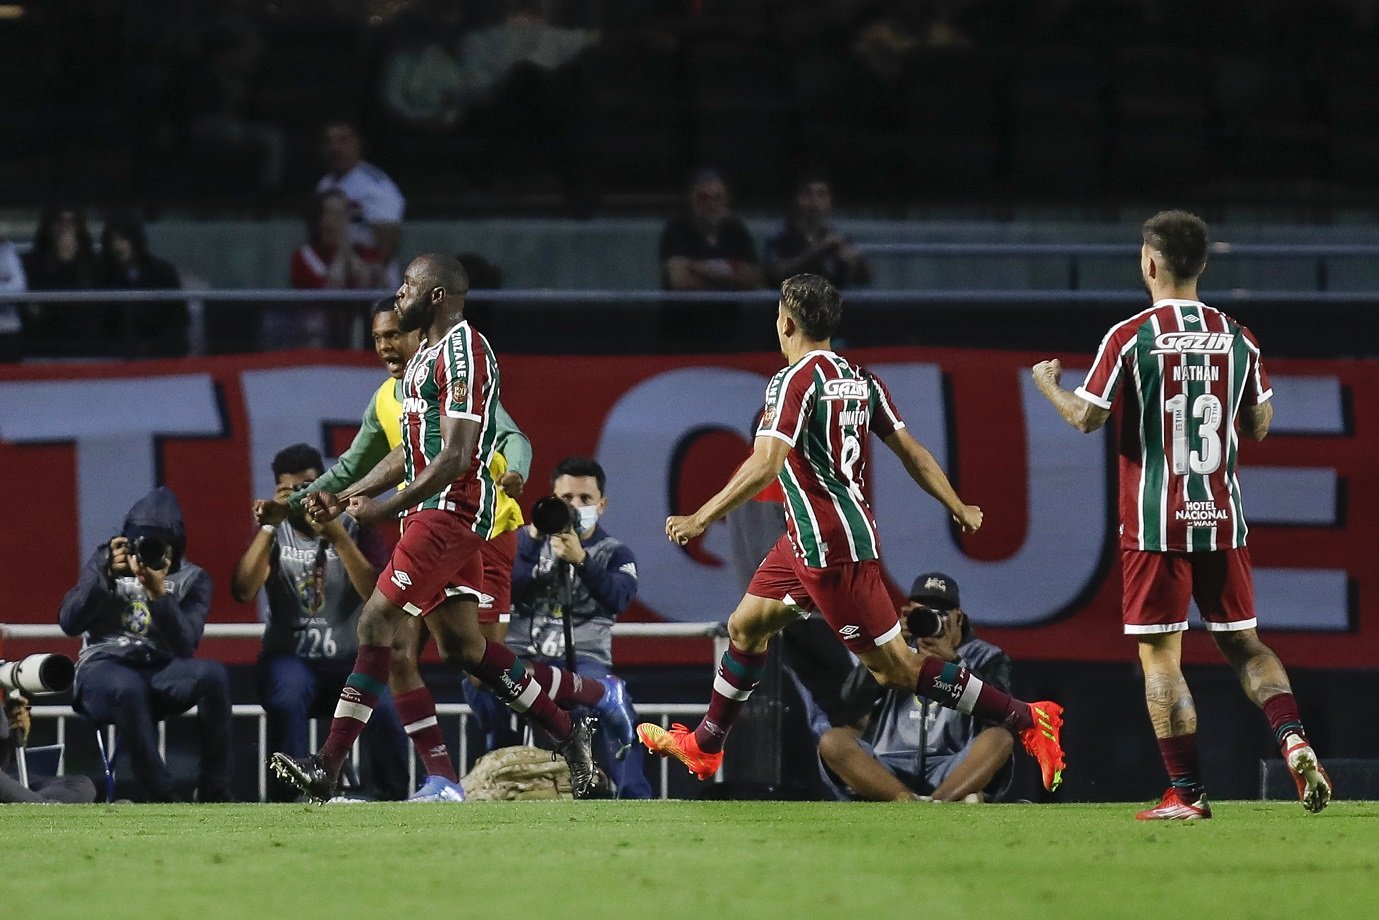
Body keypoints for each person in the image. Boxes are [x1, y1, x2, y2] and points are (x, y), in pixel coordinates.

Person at [637, 274, 1066, 795]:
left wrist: (701, 516)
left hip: (831, 549)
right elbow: (910, 451)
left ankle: (1027, 718)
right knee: (746, 627)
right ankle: (706, 745)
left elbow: (767, 462)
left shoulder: (792, 381)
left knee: (901, 672)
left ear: (787, 322)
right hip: (803, 540)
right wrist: (957, 503)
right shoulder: (861, 379)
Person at [1031, 209, 1331, 820]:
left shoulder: (1129, 336)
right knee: (1247, 646)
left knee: (1162, 660)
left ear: (1149, 262)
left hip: (1154, 523)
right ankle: (1293, 738)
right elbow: (1261, 426)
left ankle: (1188, 794)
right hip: (1222, 517)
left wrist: (1046, 384)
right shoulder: (1237, 336)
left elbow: (1087, 417)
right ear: (1203, 265)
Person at [268, 254, 599, 803]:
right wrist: (355, 495)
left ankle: (325, 767)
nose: (398, 295)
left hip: (451, 510)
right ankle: (568, 731)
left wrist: (380, 508)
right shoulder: (426, 356)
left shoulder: (467, 351)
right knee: (465, 651)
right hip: (431, 512)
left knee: (378, 623)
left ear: (438, 296)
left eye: (407, 287)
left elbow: (456, 456)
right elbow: (410, 452)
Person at [233, 443, 409, 802]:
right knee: (289, 690)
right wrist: (269, 527)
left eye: (310, 486)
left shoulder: (354, 527)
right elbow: (243, 590)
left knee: (384, 703)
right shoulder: (275, 532)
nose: (302, 497)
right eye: (292, 490)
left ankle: (392, 796)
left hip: (347, 660)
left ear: (324, 485)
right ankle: (293, 795)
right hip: (290, 660)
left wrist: (338, 537)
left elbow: (375, 595)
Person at [57, 487, 232, 802]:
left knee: (214, 676)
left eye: (159, 546)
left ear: (175, 549)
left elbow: (185, 645)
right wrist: (103, 575)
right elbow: (69, 622)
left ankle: (214, 788)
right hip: (102, 669)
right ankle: (162, 794)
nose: (147, 552)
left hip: (159, 670)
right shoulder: (106, 561)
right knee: (127, 687)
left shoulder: (193, 578)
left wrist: (159, 595)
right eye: (142, 542)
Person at [506, 456, 649, 798]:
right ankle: (498, 782)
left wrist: (582, 562)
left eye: (585, 499)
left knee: (617, 709)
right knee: (481, 685)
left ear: (602, 505)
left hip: (586, 661)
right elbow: (505, 589)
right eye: (566, 499)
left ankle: (635, 797)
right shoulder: (527, 542)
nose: (575, 506)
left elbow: (618, 598)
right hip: (529, 657)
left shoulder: (615, 553)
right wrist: (533, 540)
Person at [816, 572, 1015, 803]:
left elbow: (1000, 715)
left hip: (951, 765)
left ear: (958, 618)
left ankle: (941, 801)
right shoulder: (896, 649)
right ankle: (905, 800)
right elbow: (849, 702)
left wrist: (956, 664)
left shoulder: (984, 656)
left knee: (999, 738)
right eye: (922, 614)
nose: (929, 623)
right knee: (832, 741)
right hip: (888, 765)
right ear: (907, 614)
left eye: (938, 615)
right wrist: (886, 648)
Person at [315, 120, 405, 286]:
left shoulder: (376, 185)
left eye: (342, 140)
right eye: (329, 141)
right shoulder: (324, 185)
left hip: (373, 280)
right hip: (335, 275)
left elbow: (388, 238)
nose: (335, 148)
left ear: (357, 143)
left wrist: (371, 272)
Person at [97, 211, 186, 358]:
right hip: (114, 357)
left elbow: (177, 318)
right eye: (112, 240)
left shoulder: (162, 273)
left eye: (123, 238)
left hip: (159, 357)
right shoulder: (103, 276)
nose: (117, 245)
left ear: (135, 239)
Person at [658, 169, 762, 292]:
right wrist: (730, 274)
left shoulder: (735, 230)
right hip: (687, 309)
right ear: (691, 200)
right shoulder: (676, 230)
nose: (712, 204)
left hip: (727, 310)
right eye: (704, 198)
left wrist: (696, 268)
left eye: (718, 198)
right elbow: (681, 281)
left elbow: (753, 278)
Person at [763, 176, 872, 289]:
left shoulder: (838, 239)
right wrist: (819, 251)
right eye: (807, 193)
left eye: (821, 194)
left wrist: (859, 264)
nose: (814, 200)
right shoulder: (780, 237)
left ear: (830, 202)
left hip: (831, 304)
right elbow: (775, 274)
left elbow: (863, 279)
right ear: (796, 199)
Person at [1, 691, 98, 804]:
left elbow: (7, 760)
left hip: (7, 778)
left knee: (80, 785)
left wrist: (19, 734)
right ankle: (39, 805)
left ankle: (30, 802)